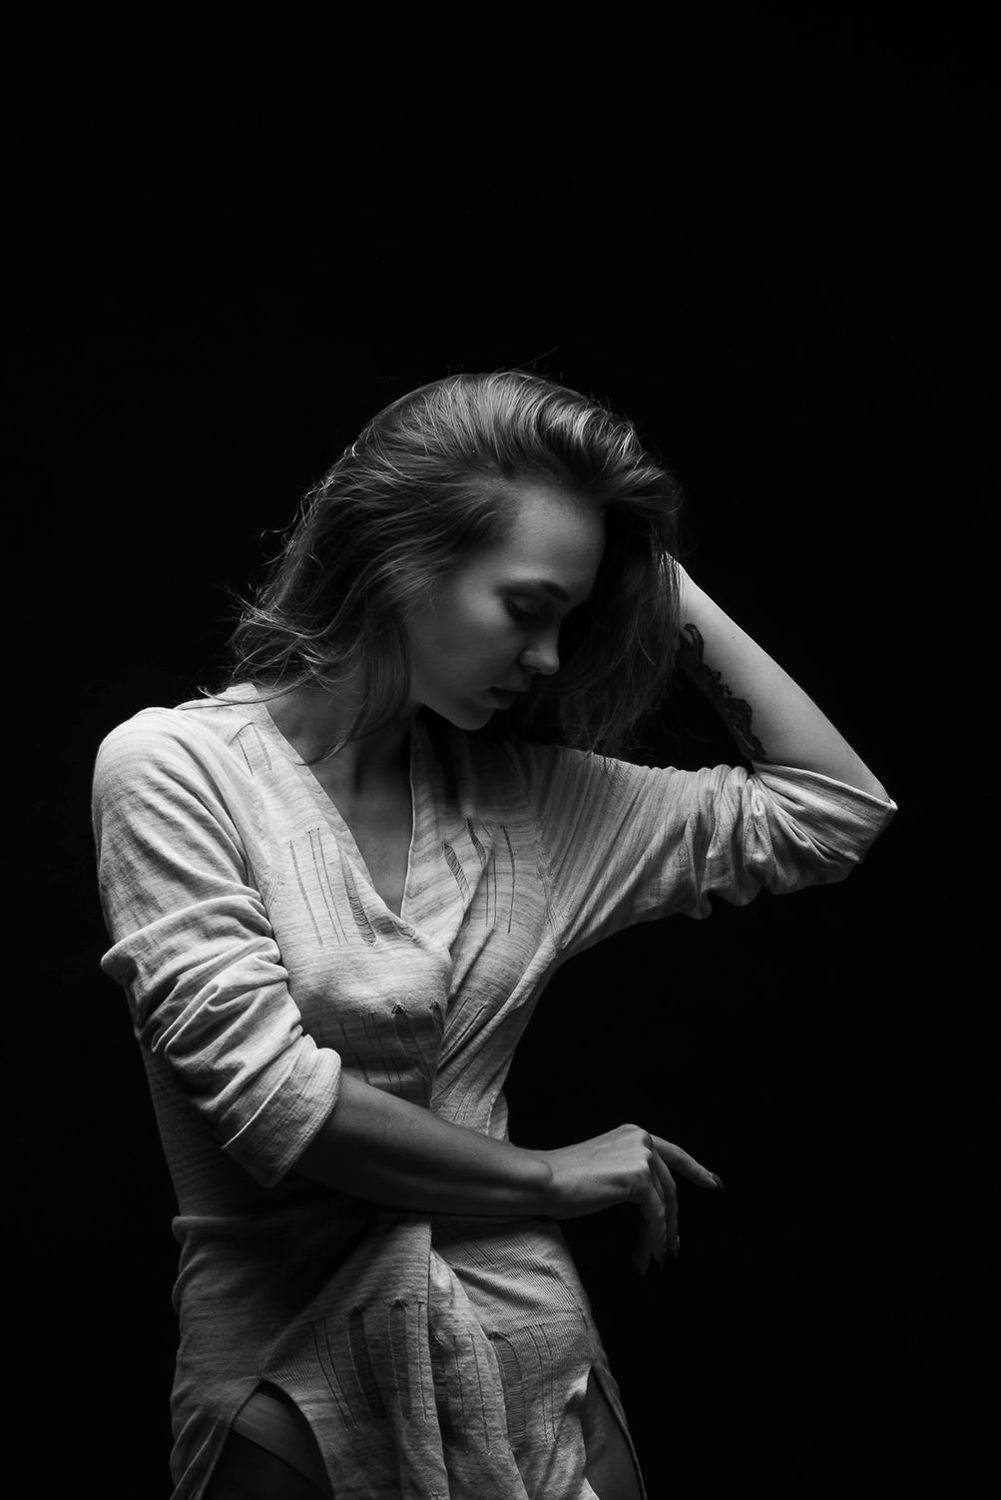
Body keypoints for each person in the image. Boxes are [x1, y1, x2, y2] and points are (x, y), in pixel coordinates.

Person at [91, 369, 898, 1500]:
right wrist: (547, 1176)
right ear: (397, 559)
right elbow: (274, 1107)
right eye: (526, 609)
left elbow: (831, 811)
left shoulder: (529, 801)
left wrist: (654, 575)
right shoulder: (176, 770)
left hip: (535, 1365)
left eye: (569, 618)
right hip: (286, 1380)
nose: (550, 658)